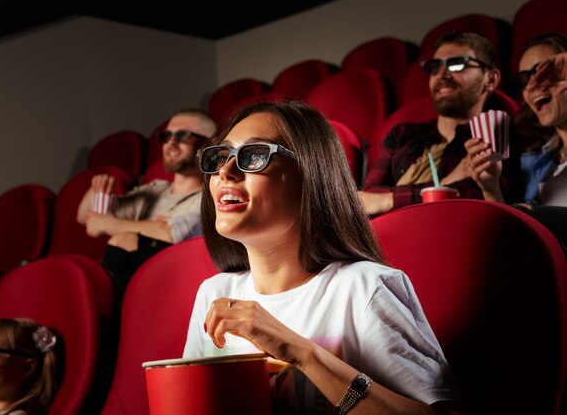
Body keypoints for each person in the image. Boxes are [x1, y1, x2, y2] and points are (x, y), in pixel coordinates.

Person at [183, 100, 462, 415]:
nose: (225, 171)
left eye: (255, 156)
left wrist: (302, 353)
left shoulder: (363, 288)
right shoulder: (214, 293)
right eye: (221, 155)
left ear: (312, 175)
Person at [359, 31, 518, 216]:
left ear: (490, 79)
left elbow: (477, 198)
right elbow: (367, 198)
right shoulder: (401, 133)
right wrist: (447, 183)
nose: (442, 74)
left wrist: (387, 200)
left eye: (457, 64)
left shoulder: (494, 135)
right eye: (435, 66)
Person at [76, 108, 217, 293]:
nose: (170, 143)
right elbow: (85, 218)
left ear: (208, 146)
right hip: (134, 280)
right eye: (166, 136)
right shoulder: (156, 189)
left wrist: (110, 224)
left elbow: (170, 233)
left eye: (182, 136)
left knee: (123, 239)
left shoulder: (212, 196)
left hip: (174, 283)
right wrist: (97, 187)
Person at [465, 32, 567, 250]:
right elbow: (513, 240)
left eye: (543, 72)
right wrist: (491, 187)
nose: (532, 85)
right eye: (524, 78)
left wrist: (531, 216)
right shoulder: (535, 161)